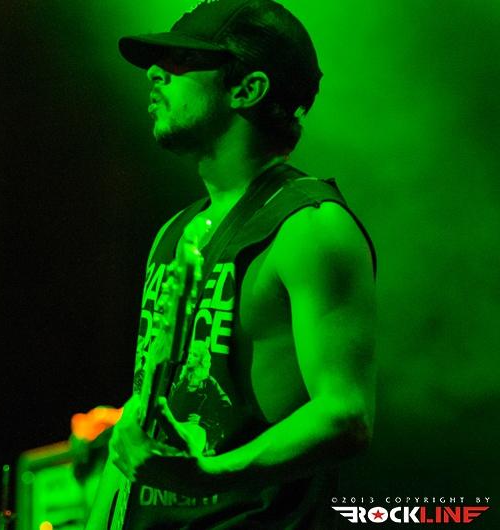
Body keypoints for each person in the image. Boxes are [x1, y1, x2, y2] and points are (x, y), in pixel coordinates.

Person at [87, 1, 377, 528]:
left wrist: (206, 477)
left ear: (248, 89)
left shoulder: (310, 227)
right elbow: (144, 406)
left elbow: (345, 415)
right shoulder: (174, 233)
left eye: (180, 62)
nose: (154, 74)